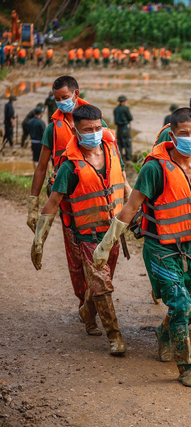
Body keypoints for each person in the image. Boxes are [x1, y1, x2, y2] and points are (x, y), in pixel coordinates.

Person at [92, 107, 191, 387]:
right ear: (172, 134)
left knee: (189, 303)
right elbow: (130, 208)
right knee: (179, 303)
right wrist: (105, 246)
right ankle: (186, 367)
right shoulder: (155, 168)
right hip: (161, 248)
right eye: (183, 134)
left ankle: (164, 333)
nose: (190, 139)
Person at [30, 104, 131, 356]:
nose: (94, 133)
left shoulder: (111, 150)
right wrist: (38, 241)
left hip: (113, 233)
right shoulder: (70, 166)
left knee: (99, 285)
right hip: (88, 237)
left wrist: (135, 210)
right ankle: (115, 337)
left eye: (98, 127)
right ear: (76, 130)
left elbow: (124, 183)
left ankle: (87, 310)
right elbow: (53, 202)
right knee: (103, 286)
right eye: (88, 129)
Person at [27, 76, 110, 312]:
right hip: (67, 198)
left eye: (65, 97)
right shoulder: (53, 129)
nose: (62, 102)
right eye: (57, 99)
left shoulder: (95, 121)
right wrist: (33, 205)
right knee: (75, 257)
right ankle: (85, 303)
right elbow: (42, 167)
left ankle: (93, 299)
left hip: (96, 195)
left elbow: (112, 158)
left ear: (76, 93)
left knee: (102, 253)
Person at [113, 95, 133, 161]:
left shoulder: (115, 109)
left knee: (120, 144)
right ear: (124, 101)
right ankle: (128, 159)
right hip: (125, 128)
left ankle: (120, 159)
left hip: (118, 129)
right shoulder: (125, 108)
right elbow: (130, 118)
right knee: (127, 144)